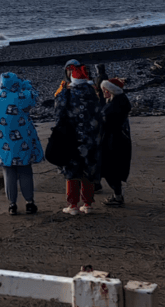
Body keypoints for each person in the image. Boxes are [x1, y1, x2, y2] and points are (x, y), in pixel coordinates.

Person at [0, 72, 44, 215]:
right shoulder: (20, 96)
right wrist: (26, 85)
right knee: (25, 171)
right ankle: (29, 203)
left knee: (8, 174)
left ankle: (12, 205)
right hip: (22, 142)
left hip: (1, 143)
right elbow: (34, 96)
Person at [52, 60, 102, 215]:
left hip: (71, 138)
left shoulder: (67, 93)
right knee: (88, 171)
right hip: (91, 138)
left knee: (72, 172)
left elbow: (58, 113)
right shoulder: (92, 92)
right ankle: (88, 204)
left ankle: (72, 205)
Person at [100, 78, 132, 206]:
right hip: (119, 140)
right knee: (114, 169)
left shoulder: (114, 106)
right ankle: (117, 195)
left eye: (105, 90)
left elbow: (107, 123)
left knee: (110, 169)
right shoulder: (120, 102)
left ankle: (118, 196)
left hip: (112, 142)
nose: (104, 93)